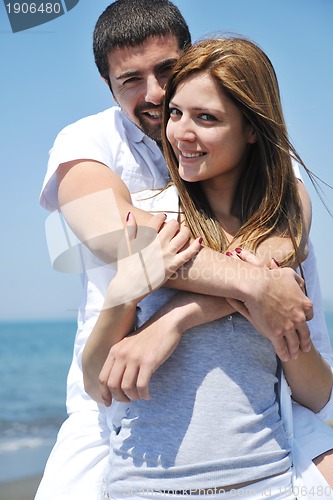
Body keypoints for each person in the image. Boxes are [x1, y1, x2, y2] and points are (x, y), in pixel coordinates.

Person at [36, 1, 333, 499]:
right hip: (119, 417)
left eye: (167, 71)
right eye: (130, 79)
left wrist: (180, 315)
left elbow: (288, 222)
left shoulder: (262, 156)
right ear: (109, 86)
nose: (154, 95)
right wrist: (254, 282)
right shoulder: (90, 141)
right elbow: (129, 239)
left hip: (279, 408)